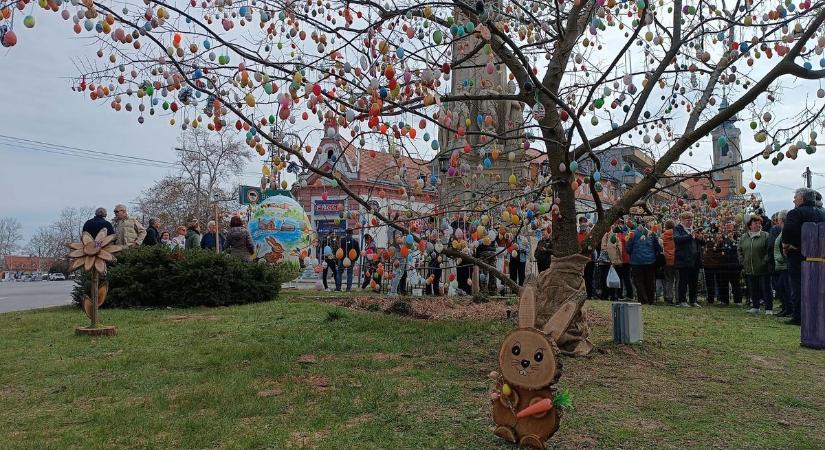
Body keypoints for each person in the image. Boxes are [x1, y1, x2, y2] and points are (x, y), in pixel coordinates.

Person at [781, 188, 825, 325]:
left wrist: (786, 246)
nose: (794, 200)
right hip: (819, 257)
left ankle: (799, 316)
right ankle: (816, 314)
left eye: (795, 197)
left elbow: (787, 232)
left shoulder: (795, 213)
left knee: (798, 286)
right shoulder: (823, 213)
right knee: (817, 286)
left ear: (802, 198)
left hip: (798, 256)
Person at [738, 215, 773, 315]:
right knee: (753, 288)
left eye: (759, 223)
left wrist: (764, 261)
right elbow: (739, 250)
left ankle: (769, 309)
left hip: (763, 268)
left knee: (766, 288)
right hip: (749, 267)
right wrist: (743, 261)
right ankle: (755, 306)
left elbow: (769, 250)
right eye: (755, 223)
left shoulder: (766, 235)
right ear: (750, 225)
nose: (758, 225)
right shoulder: (744, 237)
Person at [673, 211, 704, 307]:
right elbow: (677, 239)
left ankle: (693, 300)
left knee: (693, 281)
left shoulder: (694, 229)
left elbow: (703, 243)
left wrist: (700, 238)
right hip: (683, 259)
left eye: (691, 220)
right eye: (688, 220)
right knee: (683, 281)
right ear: (682, 220)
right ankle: (682, 301)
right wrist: (690, 235)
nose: (690, 222)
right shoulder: (678, 228)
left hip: (695, 259)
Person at [625, 223, 661, 305]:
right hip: (650, 261)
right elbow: (658, 247)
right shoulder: (652, 234)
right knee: (650, 281)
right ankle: (650, 300)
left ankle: (643, 300)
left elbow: (628, 249)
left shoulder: (632, 234)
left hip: (636, 261)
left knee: (639, 281)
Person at [772, 211, 791, 317]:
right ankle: (786, 308)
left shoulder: (786, 231)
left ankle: (788, 308)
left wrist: (782, 258)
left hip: (784, 265)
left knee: (784, 287)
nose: (777, 221)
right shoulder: (782, 230)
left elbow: (785, 245)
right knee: (781, 287)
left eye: (778, 219)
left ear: (782, 219)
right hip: (781, 264)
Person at [600, 221, 624, 301]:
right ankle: (605, 294)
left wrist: (619, 260)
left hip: (612, 261)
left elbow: (619, 249)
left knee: (612, 278)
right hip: (604, 261)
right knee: (604, 278)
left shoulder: (614, 236)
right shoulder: (604, 235)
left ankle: (614, 295)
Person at [577, 217, 596, 299]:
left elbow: (592, 247)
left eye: (584, 228)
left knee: (589, 278)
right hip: (580, 260)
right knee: (582, 278)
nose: (583, 229)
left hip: (589, 259)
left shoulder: (589, 236)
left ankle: (590, 294)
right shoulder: (577, 236)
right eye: (581, 227)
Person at [660, 220, 677, 305]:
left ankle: (668, 298)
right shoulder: (677, 234)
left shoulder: (663, 236)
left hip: (667, 260)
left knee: (668, 280)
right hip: (676, 259)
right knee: (678, 280)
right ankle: (679, 298)